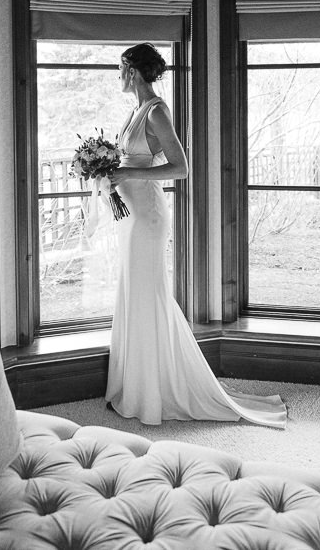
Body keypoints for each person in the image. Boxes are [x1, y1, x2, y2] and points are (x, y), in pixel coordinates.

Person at [105, 42, 287, 428]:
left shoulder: (156, 111)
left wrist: (126, 174)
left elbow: (180, 168)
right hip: (129, 216)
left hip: (148, 217)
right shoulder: (133, 111)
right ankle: (133, 386)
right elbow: (127, 160)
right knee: (133, 293)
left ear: (133, 71)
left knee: (148, 294)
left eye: (121, 69)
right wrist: (108, 170)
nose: (119, 76)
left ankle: (154, 394)